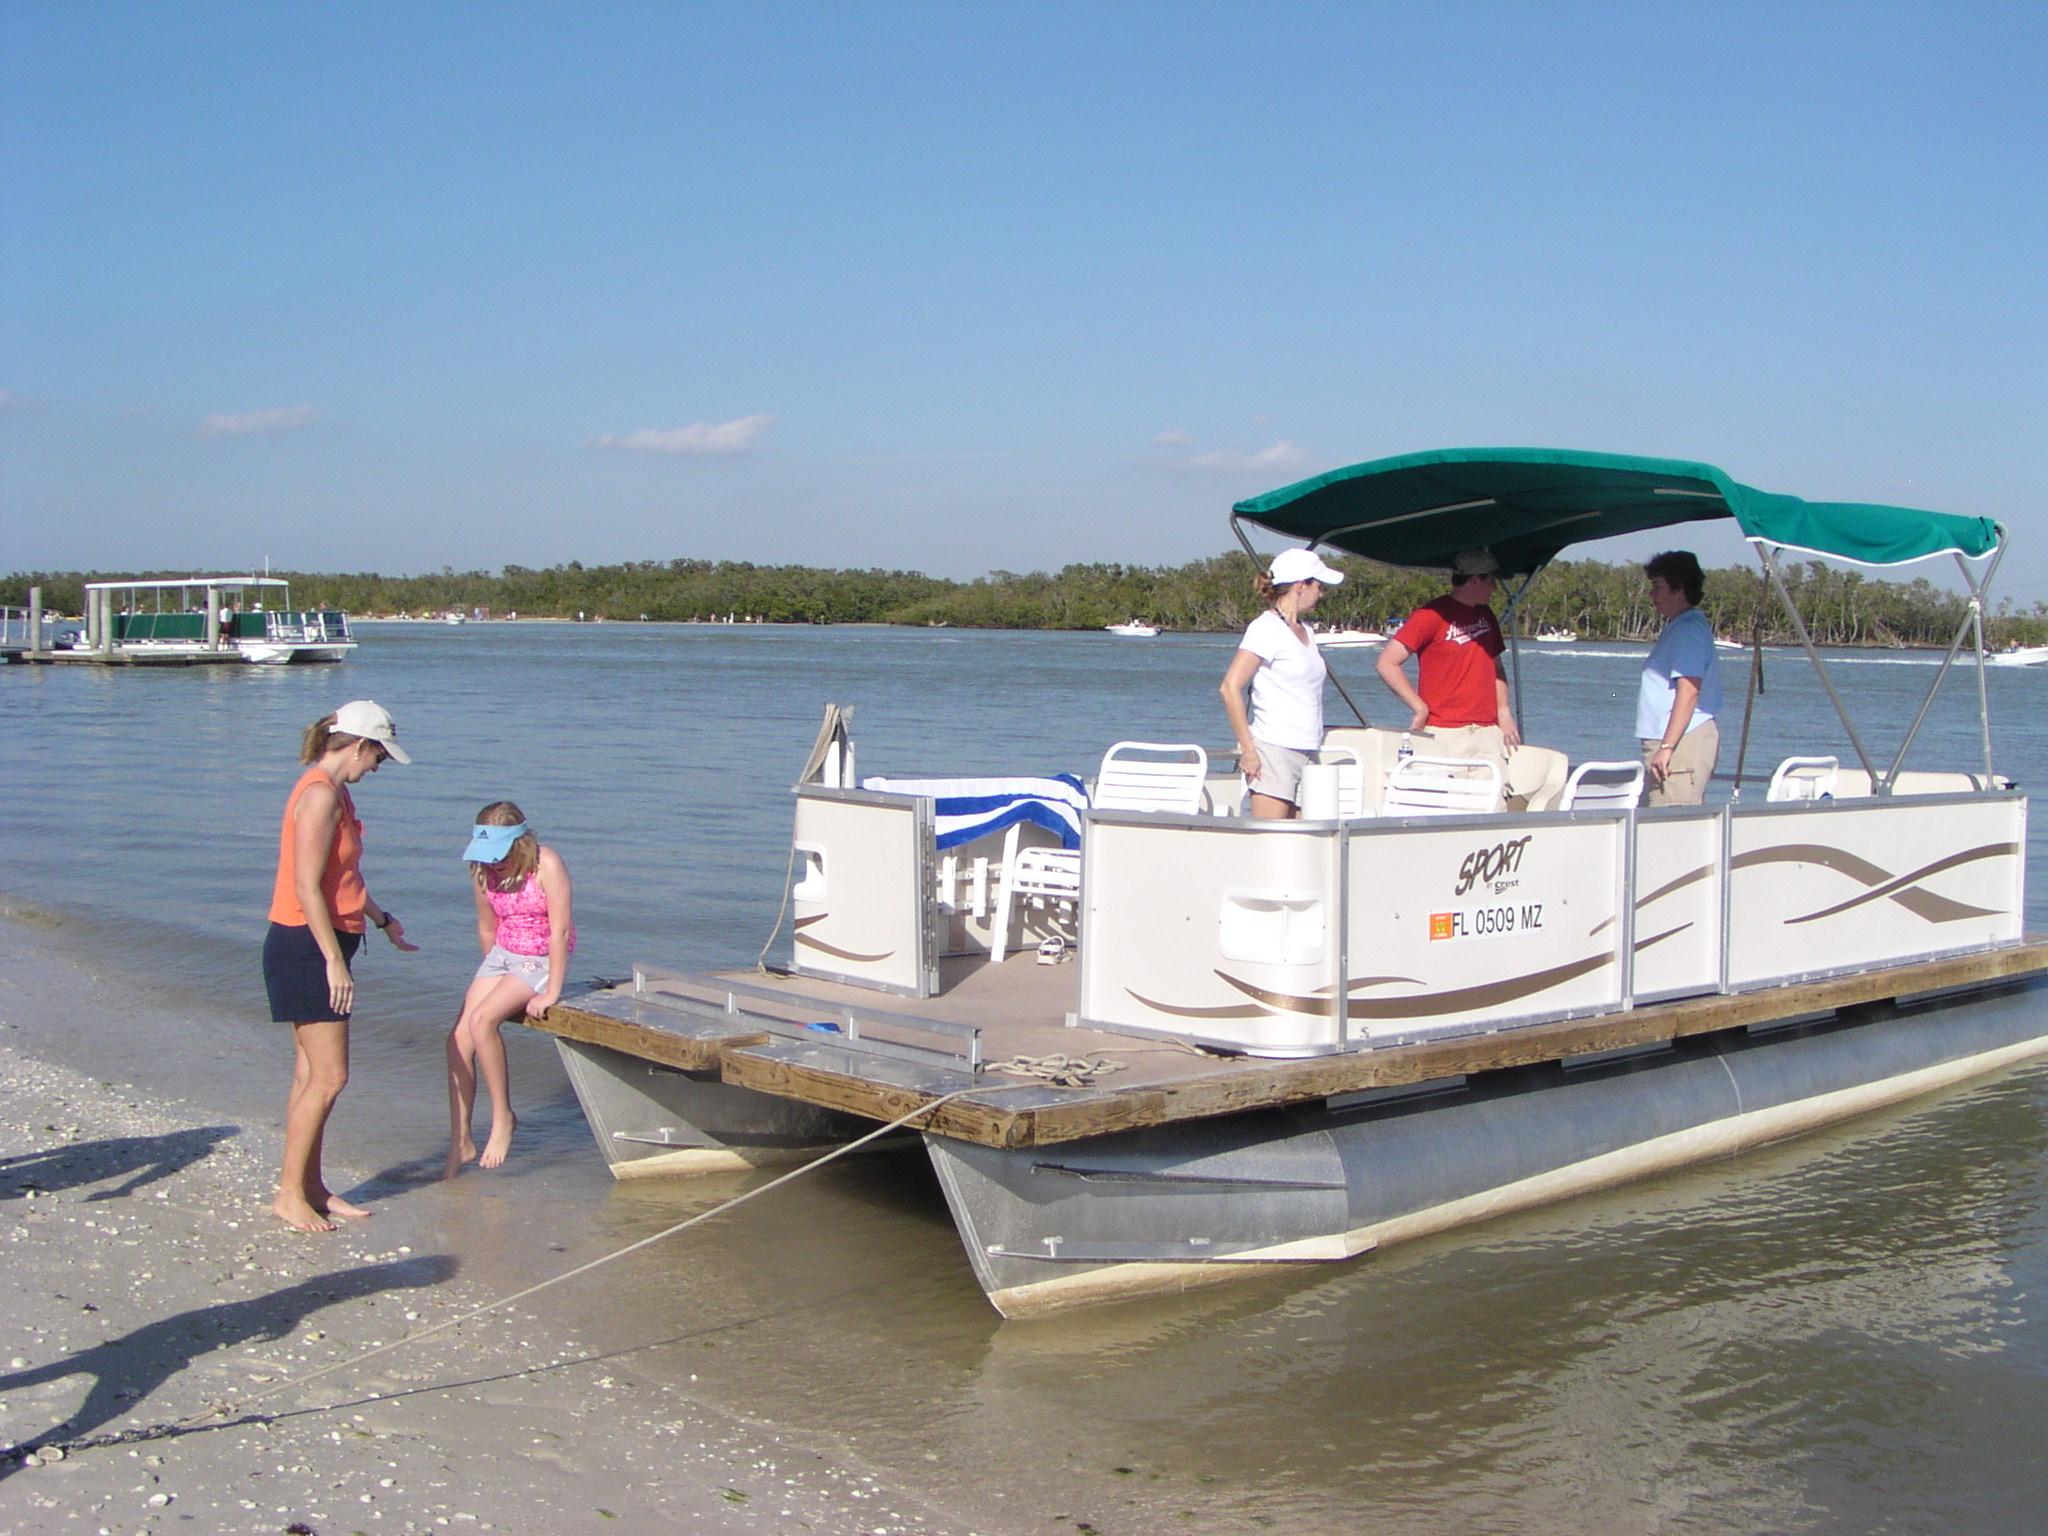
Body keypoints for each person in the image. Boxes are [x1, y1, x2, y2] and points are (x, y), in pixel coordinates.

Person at [264, 700, 416, 1232]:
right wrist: (333, 961)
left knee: (311, 1074)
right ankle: (288, 1193)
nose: (378, 767)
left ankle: (310, 1186)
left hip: (326, 940)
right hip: (306, 945)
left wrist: (382, 920)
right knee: (330, 1076)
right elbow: (306, 886)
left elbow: (343, 877)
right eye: (379, 757)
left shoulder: (339, 793)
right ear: (359, 746)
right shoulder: (320, 796)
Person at [446, 801, 576, 1176]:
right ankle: (461, 1139)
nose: (495, 863)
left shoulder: (547, 864)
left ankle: (503, 1117)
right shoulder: (483, 872)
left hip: (540, 958)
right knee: (457, 1039)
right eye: (489, 855)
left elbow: (560, 931)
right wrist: (495, 977)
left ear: (521, 844)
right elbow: (487, 927)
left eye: (501, 855)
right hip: (502, 955)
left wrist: (551, 991)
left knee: (482, 1021)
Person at [1220, 546, 1345, 819]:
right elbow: (1230, 687)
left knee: (1305, 838)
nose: (1321, 593)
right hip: (1274, 749)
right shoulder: (1266, 628)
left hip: (1308, 749)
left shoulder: (1307, 632)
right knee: (1272, 838)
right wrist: (1249, 750)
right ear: (1301, 586)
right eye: (1319, 586)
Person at [1376, 547, 1522, 779]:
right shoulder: (1430, 615)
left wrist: (1503, 711)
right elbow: (1387, 663)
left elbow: (1496, 667)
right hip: (1444, 732)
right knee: (1447, 797)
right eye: (1491, 581)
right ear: (1474, 581)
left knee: (1493, 798)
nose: (1494, 588)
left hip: (1487, 733)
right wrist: (1419, 708)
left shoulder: (1486, 615)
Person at [1638, 550, 1722, 805]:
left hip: (1681, 745)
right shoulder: (1680, 628)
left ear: (1679, 590)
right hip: (1673, 743)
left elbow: (1689, 691)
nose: (1652, 595)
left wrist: (1667, 748)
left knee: (1670, 822)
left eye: (1657, 587)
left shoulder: (1689, 632)